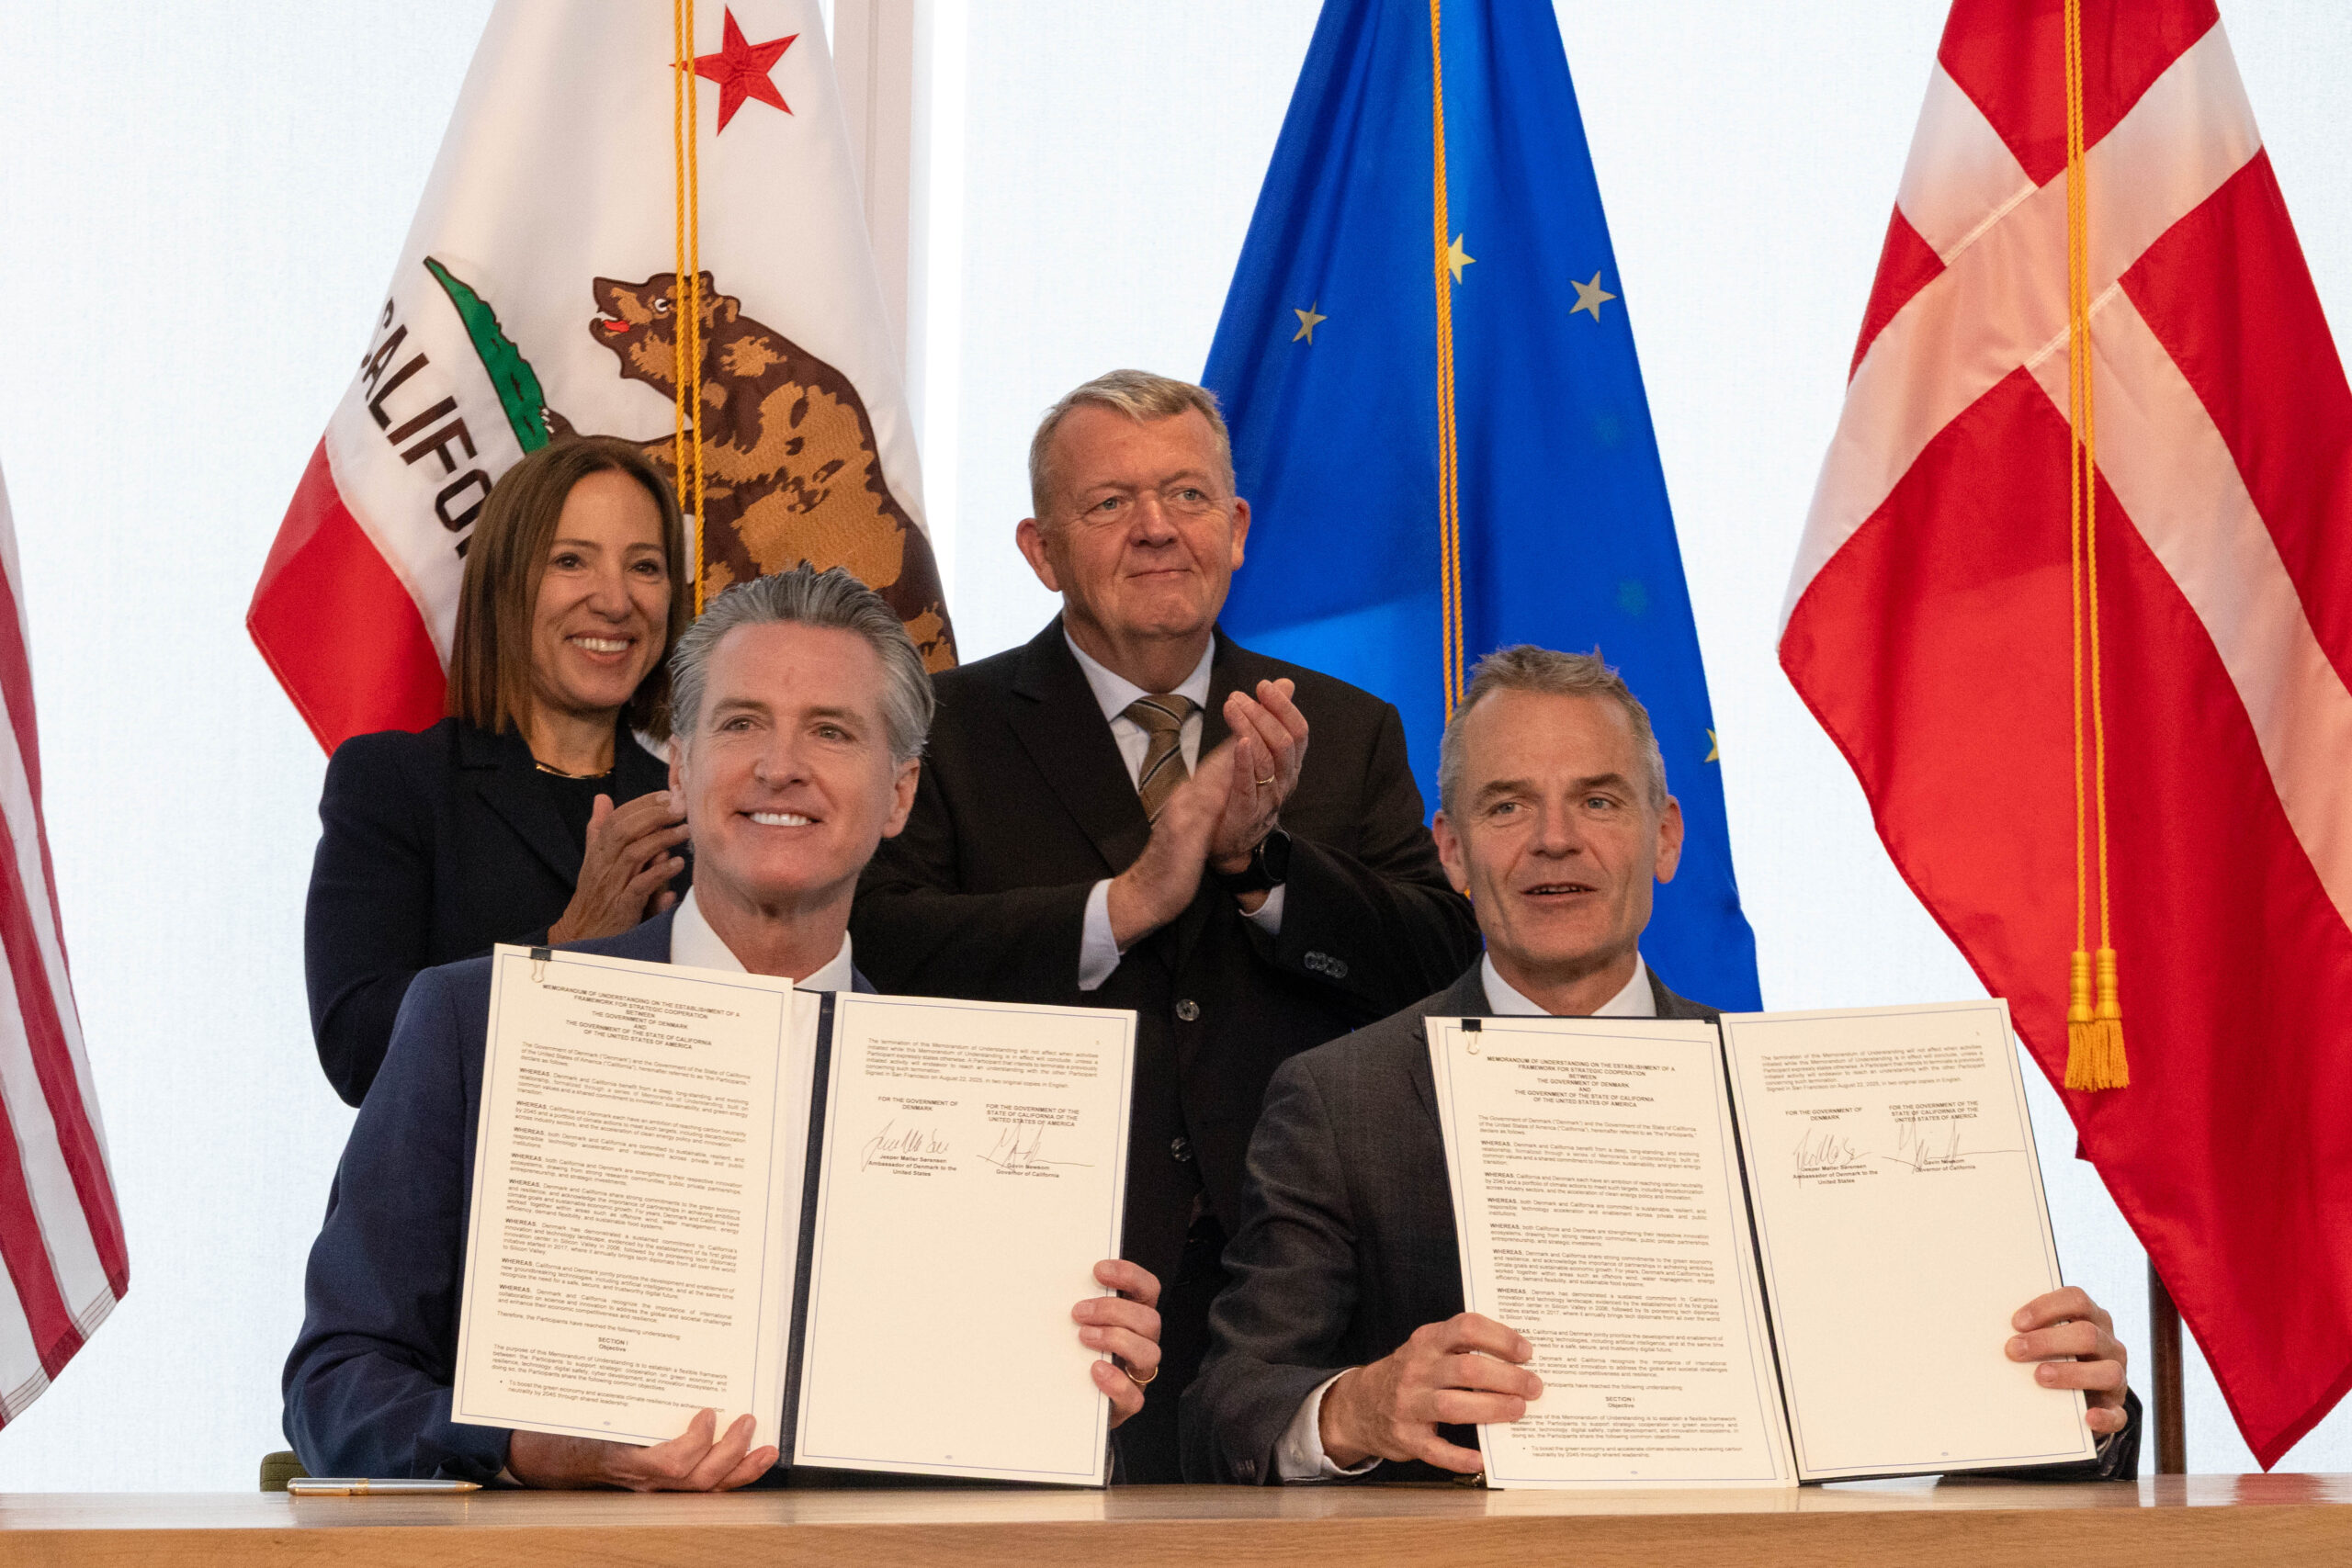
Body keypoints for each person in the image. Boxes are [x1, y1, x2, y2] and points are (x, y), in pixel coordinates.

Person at [285, 567, 1162, 1488]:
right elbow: (336, 1389)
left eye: (830, 731)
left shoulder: (987, 1101)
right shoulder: (478, 1024)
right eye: (740, 724)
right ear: (681, 766)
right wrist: (538, 1450)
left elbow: (972, 1470)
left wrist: (1063, 1386)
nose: (778, 765)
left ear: (900, 794)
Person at [1182, 646, 2140, 1484]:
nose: (1555, 839)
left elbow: (1969, 1419)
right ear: (1454, 855)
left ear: (1666, 836)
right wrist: (1355, 1409)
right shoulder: (1341, 1099)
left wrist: (2073, 1401)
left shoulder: (1790, 1098)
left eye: (1597, 800)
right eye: (1508, 806)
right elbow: (1229, 1405)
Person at [852, 370, 1481, 1479]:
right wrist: (1122, 905)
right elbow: (884, 953)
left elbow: (1436, 967)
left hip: (1307, 1305)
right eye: (1108, 505)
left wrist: (1260, 867)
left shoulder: (1343, 727)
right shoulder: (943, 731)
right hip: (1045, 1302)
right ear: (1039, 552)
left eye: (1187, 497)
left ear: (1235, 530)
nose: (1155, 530)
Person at [303, 436, 696, 1105]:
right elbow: (359, 1049)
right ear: (505, 583)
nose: (614, 599)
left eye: (646, 566)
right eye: (571, 561)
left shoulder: (698, 812)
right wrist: (565, 948)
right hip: (452, 1203)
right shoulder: (394, 784)